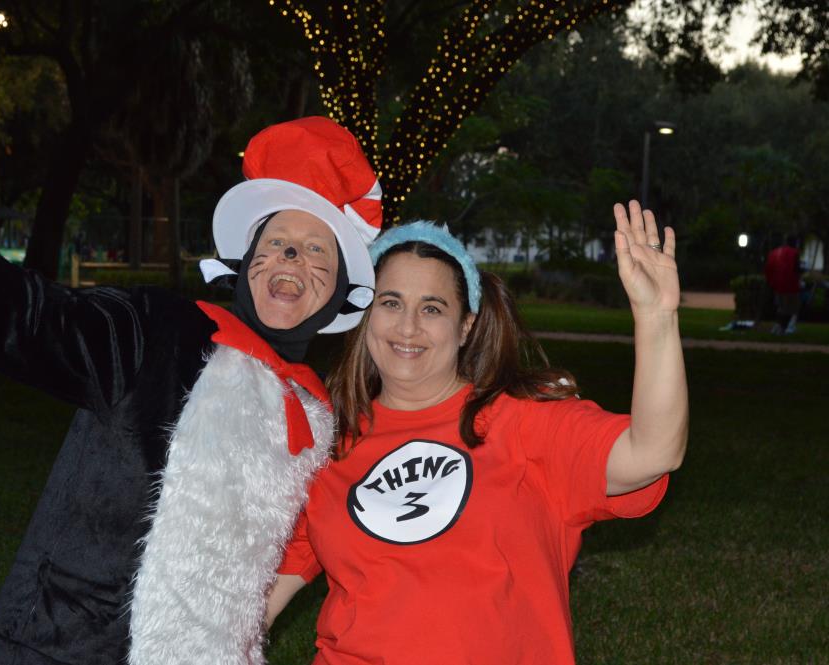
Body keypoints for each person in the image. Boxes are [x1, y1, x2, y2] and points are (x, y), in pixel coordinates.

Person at [0, 79, 383, 665]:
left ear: (339, 290)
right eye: (278, 240)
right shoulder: (157, 333)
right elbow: (28, 323)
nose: (293, 256)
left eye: (318, 250)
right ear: (246, 263)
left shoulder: (316, 418)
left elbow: (317, 539)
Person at [266, 205, 689, 664]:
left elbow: (653, 451)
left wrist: (656, 317)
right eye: (390, 303)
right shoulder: (326, 446)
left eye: (432, 308)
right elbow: (250, 606)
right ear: (366, 315)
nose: (408, 327)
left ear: (466, 325)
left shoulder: (523, 421)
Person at [765, 235, 802, 334]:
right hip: (790, 285)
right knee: (791, 308)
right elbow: (796, 269)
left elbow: (768, 268)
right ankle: (784, 327)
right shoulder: (794, 253)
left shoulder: (775, 252)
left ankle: (778, 327)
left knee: (781, 307)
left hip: (777, 285)